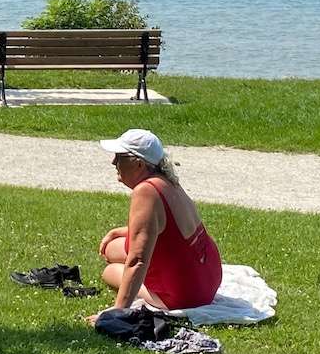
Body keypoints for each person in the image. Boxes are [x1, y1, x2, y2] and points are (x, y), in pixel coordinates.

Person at [92, 129, 222, 319]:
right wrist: (116, 232)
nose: (113, 162)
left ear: (138, 164)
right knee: (111, 249)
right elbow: (167, 228)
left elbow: (138, 260)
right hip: (208, 277)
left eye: (119, 157)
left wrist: (119, 311)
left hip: (186, 294)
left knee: (110, 271)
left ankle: (156, 293)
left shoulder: (145, 191)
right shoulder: (167, 181)